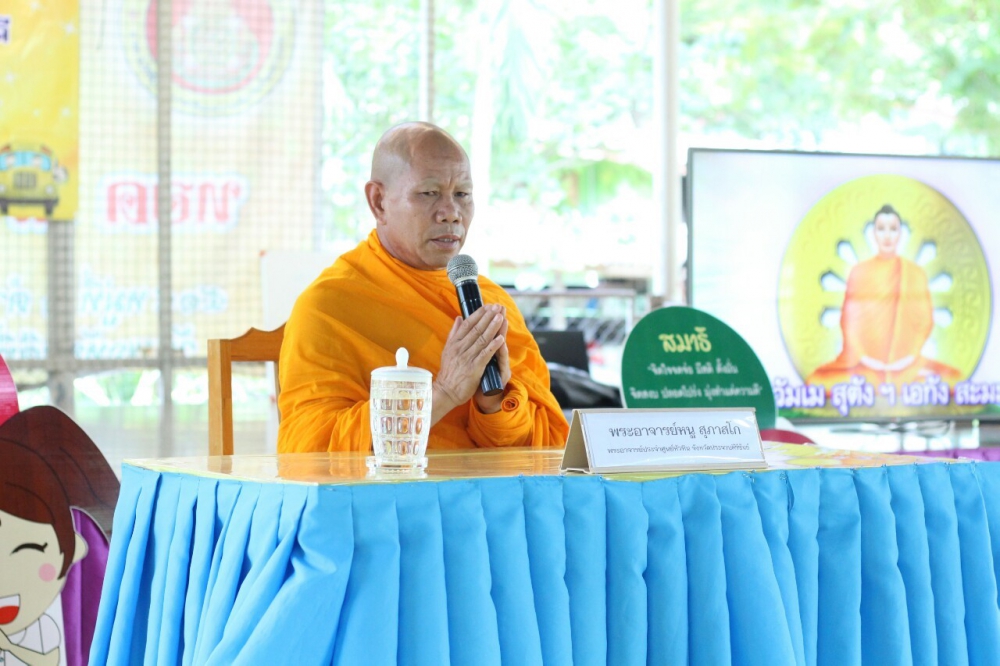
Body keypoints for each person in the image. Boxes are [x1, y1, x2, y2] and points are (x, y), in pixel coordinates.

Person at [277, 122, 569, 453]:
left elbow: (541, 449)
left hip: (482, 485)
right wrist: (443, 393)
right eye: (429, 193)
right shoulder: (329, 306)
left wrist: (492, 402)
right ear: (379, 202)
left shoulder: (491, 303)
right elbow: (312, 452)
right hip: (393, 487)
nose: (451, 214)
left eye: (462, 195)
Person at [0, 406, 119, 666]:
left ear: (74, 548)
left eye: (28, 548)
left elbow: (48, 660)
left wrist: (10, 646)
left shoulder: (44, 627)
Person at [807, 204, 960, 388]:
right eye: (881, 229)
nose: (887, 236)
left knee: (956, 380)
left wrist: (910, 356)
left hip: (909, 366)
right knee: (816, 382)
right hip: (863, 366)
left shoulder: (915, 273)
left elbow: (925, 320)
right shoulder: (859, 272)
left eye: (893, 229)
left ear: (900, 233)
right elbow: (848, 321)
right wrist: (864, 357)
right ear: (874, 233)